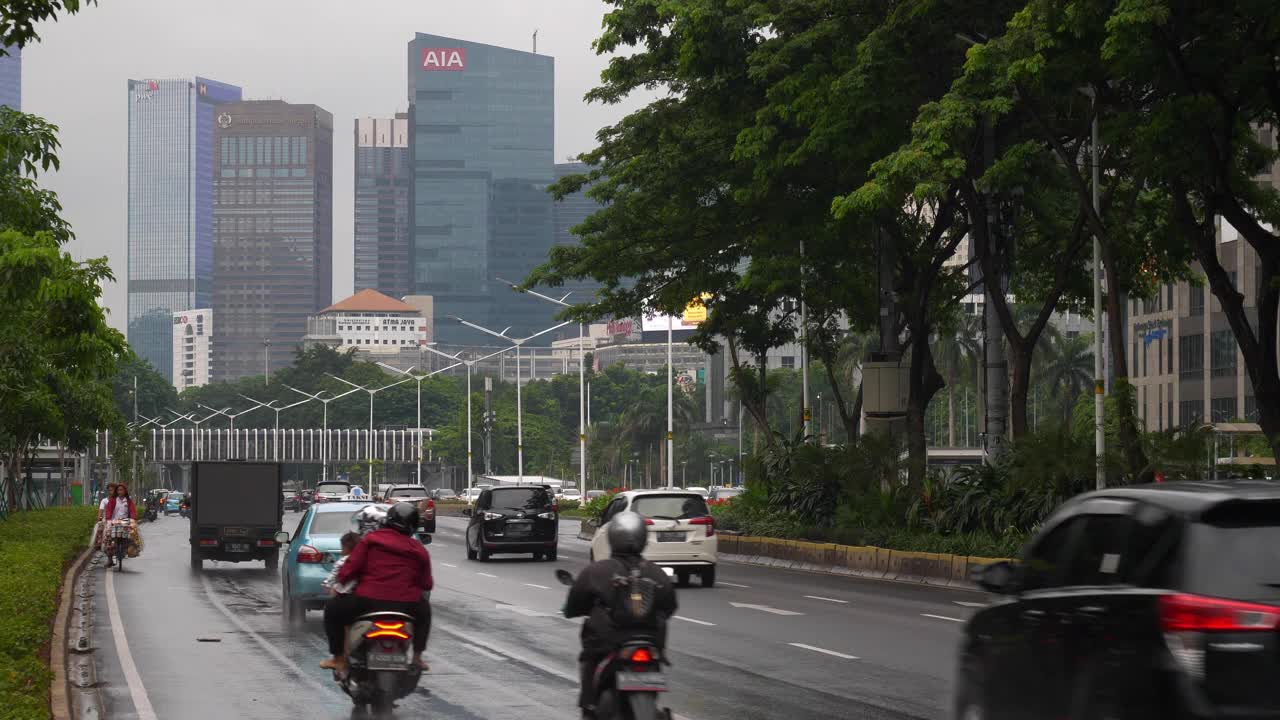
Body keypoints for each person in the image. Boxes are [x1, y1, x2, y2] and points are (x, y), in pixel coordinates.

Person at [563, 511, 677, 719]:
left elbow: (574, 605)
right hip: (651, 646)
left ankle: (588, 706)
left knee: (588, 658)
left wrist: (573, 610)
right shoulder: (656, 572)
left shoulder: (597, 571)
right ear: (643, 538)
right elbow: (670, 607)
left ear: (612, 537)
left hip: (609, 646)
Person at [321, 502, 432, 673]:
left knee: (332, 609)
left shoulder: (371, 540)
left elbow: (350, 569)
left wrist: (340, 583)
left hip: (367, 602)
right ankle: (417, 658)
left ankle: (338, 658)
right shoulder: (418, 548)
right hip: (408, 606)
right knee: (425, 612)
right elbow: (427, 584)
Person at [103, 484, 137, 567]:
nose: (120, 492)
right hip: (114, 522)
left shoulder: (128, 501)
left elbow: (132, 511)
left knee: (133, 535)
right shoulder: (113, 500)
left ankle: (131, 550)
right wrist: (108, 520)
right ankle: (110, 559)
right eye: (118, 490)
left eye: (122, 490)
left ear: (125, 491)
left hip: (126, 522)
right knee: (108, 539)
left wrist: (133, 519)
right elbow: (109, 511)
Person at [323, 532, 362, 596]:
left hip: (343, 592)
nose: (341, 550)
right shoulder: (361, 559)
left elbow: (334, 574)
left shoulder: (343, 561)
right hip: (357, 593)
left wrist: (327, 583)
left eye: (342, 547)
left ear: (347, 547)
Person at [95, 483, 118, 553]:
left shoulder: (120, 500)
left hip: (118, 520)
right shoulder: (104, 501)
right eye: (109, 490)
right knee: (99, 527)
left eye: (113, 490)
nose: (111, 492)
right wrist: (99, 518)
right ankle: (99, 543)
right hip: (107, 520)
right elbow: (100, 511)